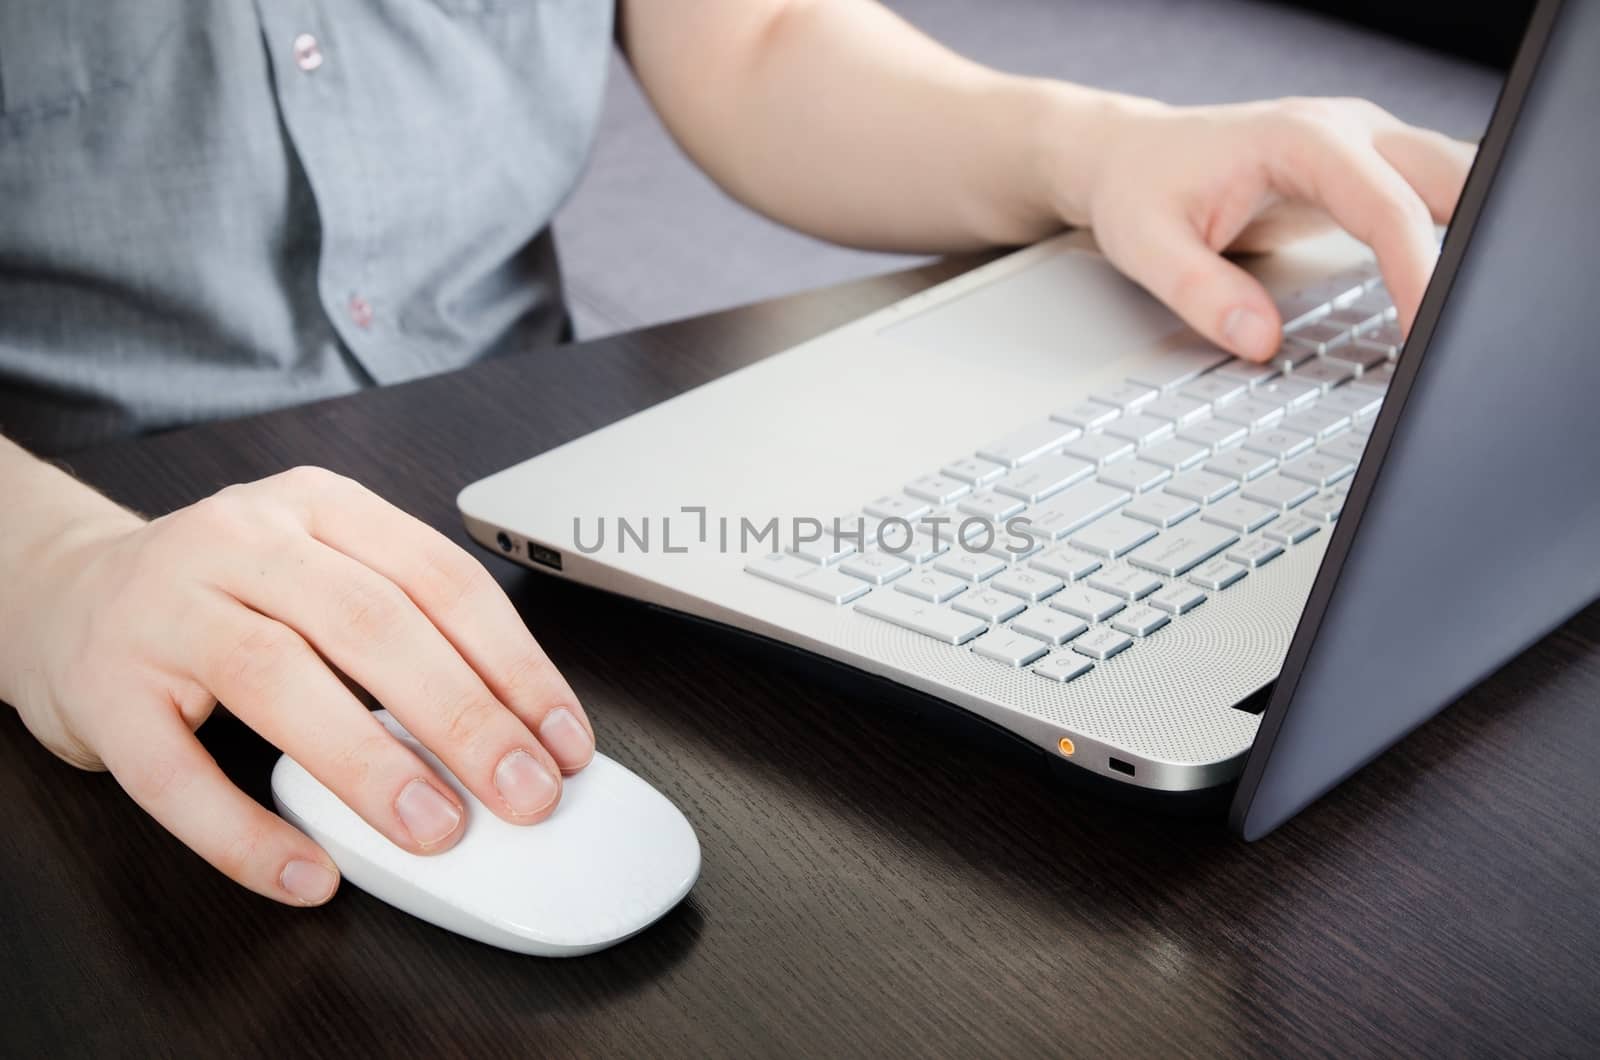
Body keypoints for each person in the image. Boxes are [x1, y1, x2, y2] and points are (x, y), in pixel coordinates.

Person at [0, 0, 1472, 907]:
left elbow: (754, 34)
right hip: (87, 577)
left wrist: (1092, 148)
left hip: (548, 484)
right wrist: (52, 569)